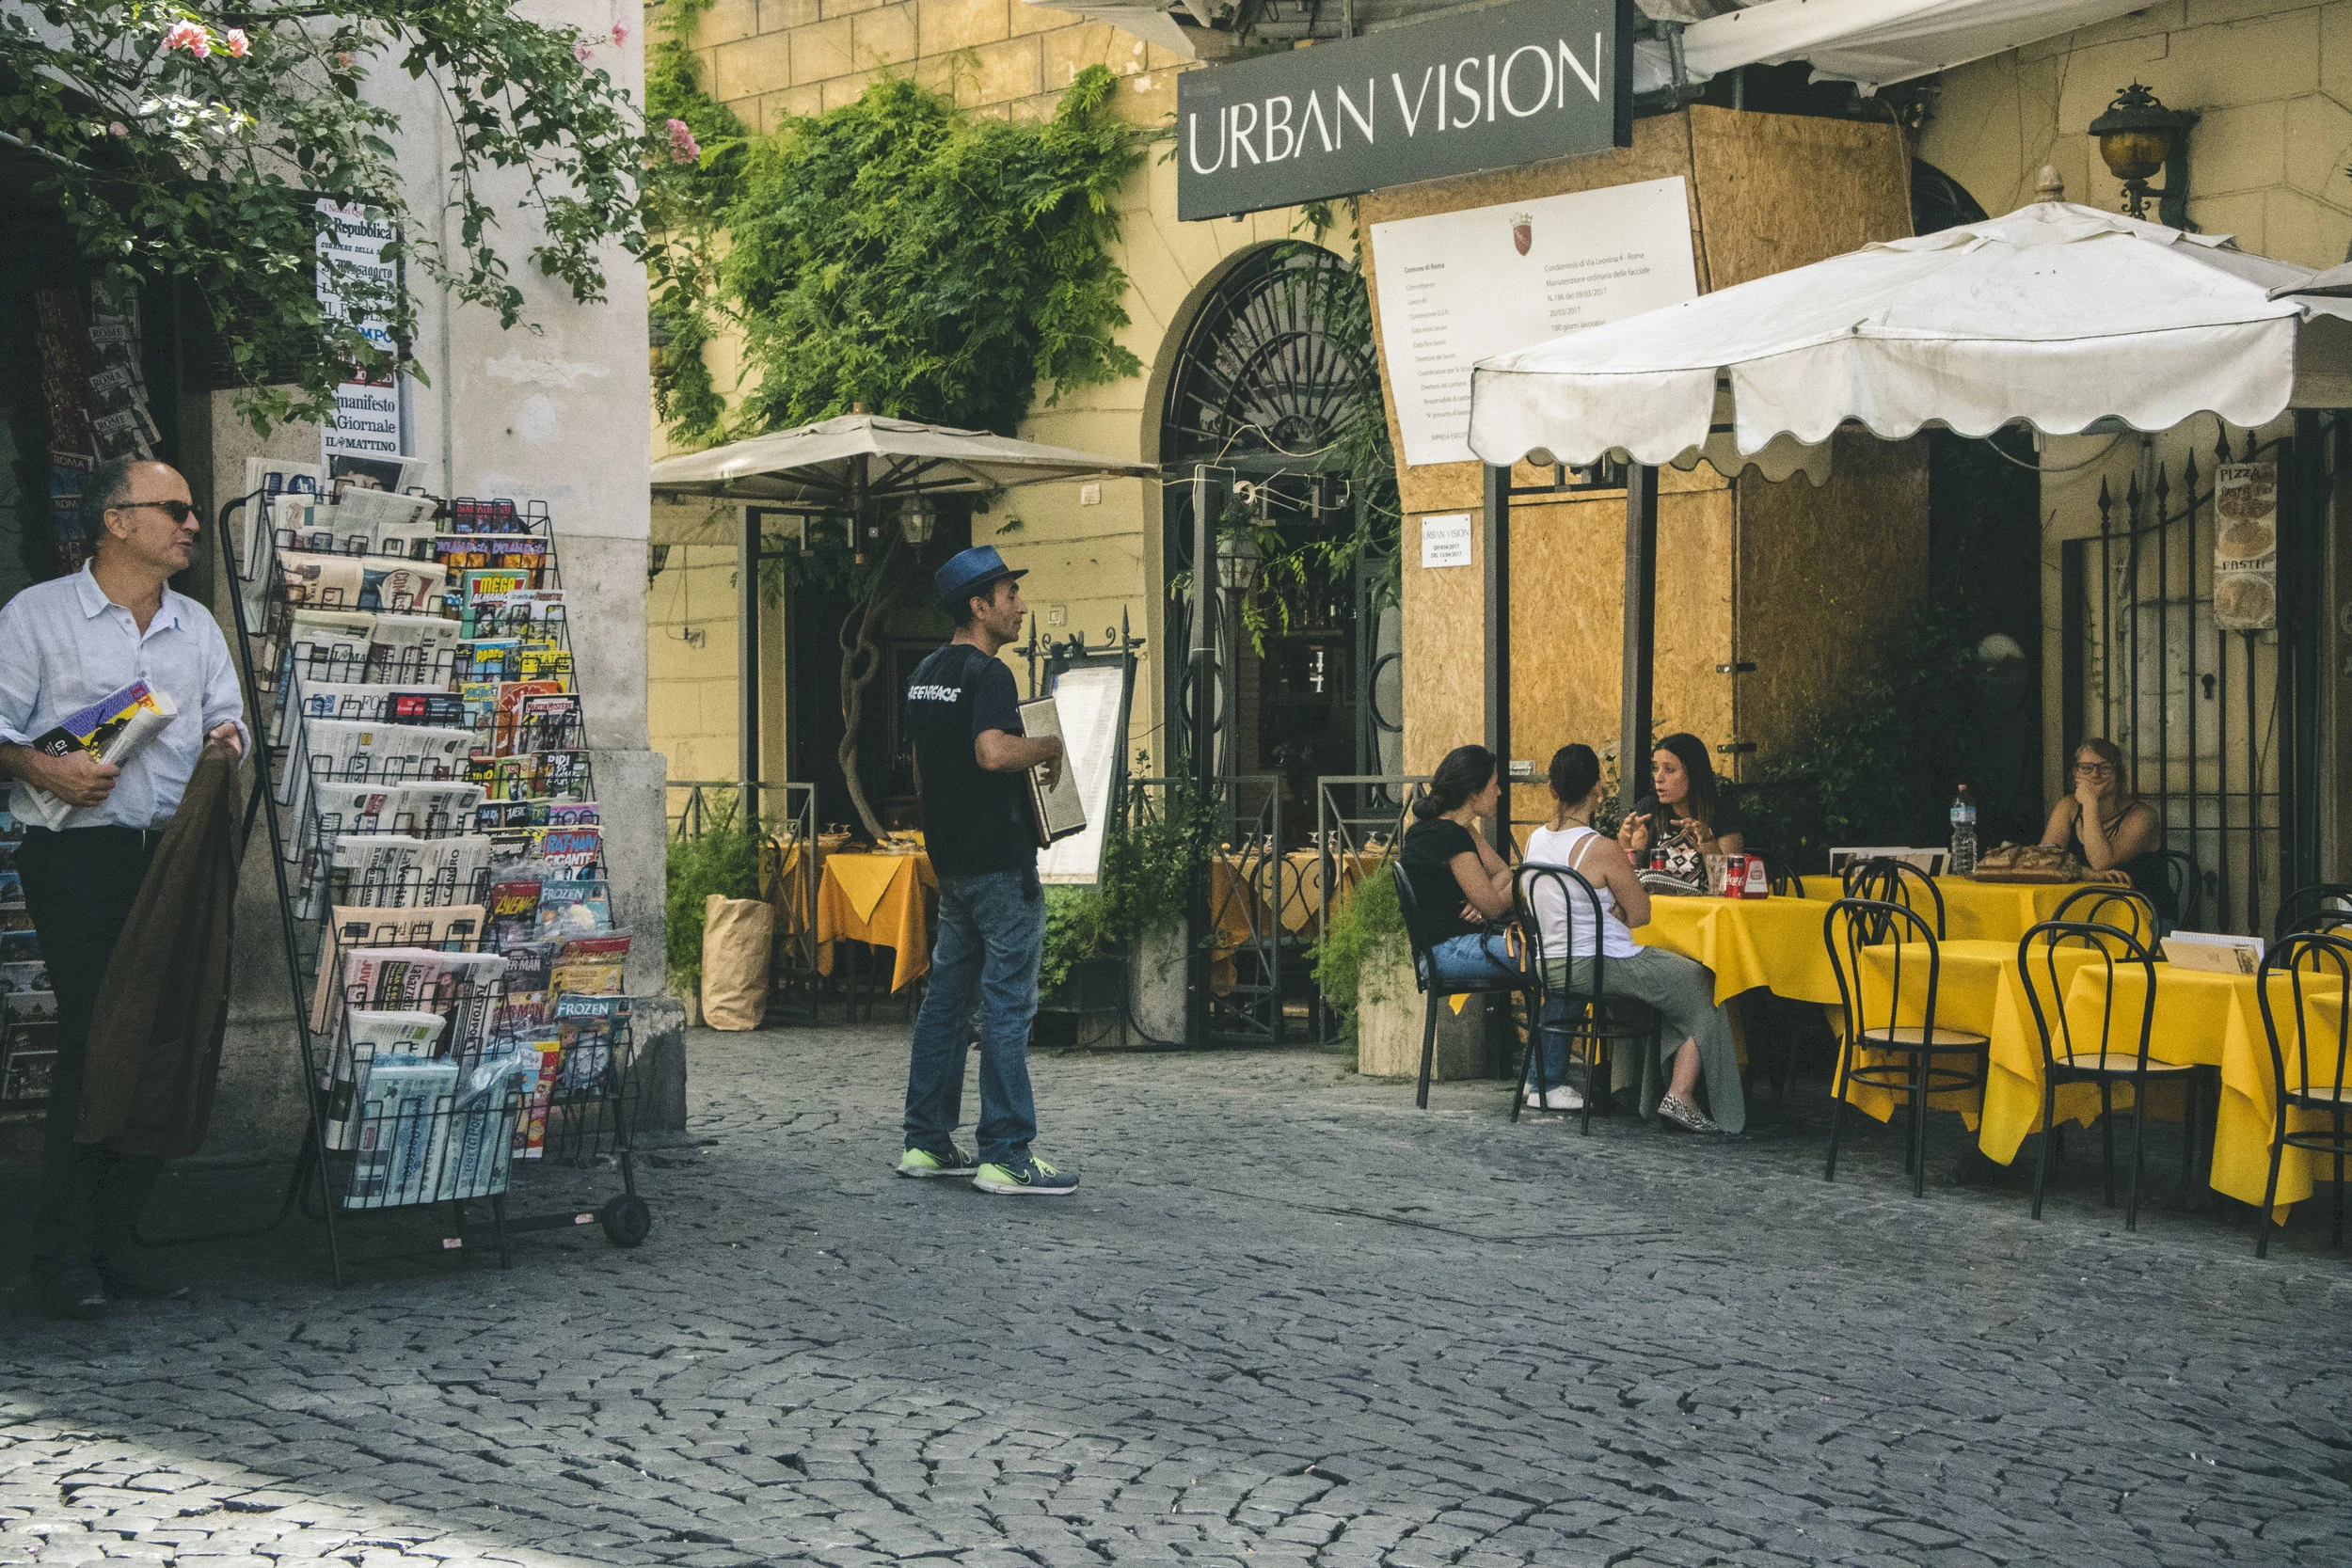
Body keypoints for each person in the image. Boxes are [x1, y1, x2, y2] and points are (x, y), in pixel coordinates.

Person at [0, 457, 247, 1319]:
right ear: (117, 520)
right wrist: (42, 765)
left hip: (172, 855)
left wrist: (226, 738)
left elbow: (232, 715)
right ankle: (60, 1251)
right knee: (100, 1032)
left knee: (164, 1037)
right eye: (174, 509)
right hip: (78, 856)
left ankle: (117, 1235)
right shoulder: (37, 616)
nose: (190, 523)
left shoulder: (196, 627)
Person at [898, 545, 1075, 1196]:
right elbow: (993, 751)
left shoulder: (923, 672)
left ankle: (925, 1142)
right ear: (979, 605)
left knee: (946, 1001)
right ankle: (1005, 1152)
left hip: (953, 863)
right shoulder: (988, 674)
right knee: (1006, 1003)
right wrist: (1050, 745)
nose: (1020, 606)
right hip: (1001, 864)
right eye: (1009, 594)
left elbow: (919, 767)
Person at [1525, 744, 1745, 1134]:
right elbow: (1641, 913)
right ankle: (1681, 1094)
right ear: (1597, 789)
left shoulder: (1534, 841)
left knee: (1670, 985)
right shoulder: (1602, 848)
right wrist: (1623, 882)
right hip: (1599, 964)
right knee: (1709, 981)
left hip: (1547, 966)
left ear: (1553, 790)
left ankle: (1638, 1089)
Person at [1395, 744, 1523, 990]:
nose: (1498, 792)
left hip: (1447, 948)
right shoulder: (1449, 834)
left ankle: (1546, 1030)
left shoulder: (1452, 827)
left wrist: (1479, 898)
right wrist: (1524, 883)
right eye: (1493, 784)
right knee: (1551, 961)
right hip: (1448, 952)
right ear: (1474, 793)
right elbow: (1496, 908)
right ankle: (1548, 1030)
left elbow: (1501, 872)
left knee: (1557, 961)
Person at [2041, 736, 2176, 926]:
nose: (2095, 774)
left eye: (2105, 767)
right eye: (2086, 768)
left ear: (2118, 774)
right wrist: (2087, 875)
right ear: (2075, 773)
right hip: (2082, 914)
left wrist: (2090, 803)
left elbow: (2101, 862)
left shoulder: (2143, 815)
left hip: (2142, 918)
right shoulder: (2068, 807)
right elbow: (2045, 861)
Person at [1616, 731, 1745, 864]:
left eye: (1669, 770)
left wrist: (1707, 841)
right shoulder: (1647, 809)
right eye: (1655, 768)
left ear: (1694, 774)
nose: (1658, 778)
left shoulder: (1724, 813)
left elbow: (1728, 876)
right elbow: (1628, 877)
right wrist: (1626, 843)